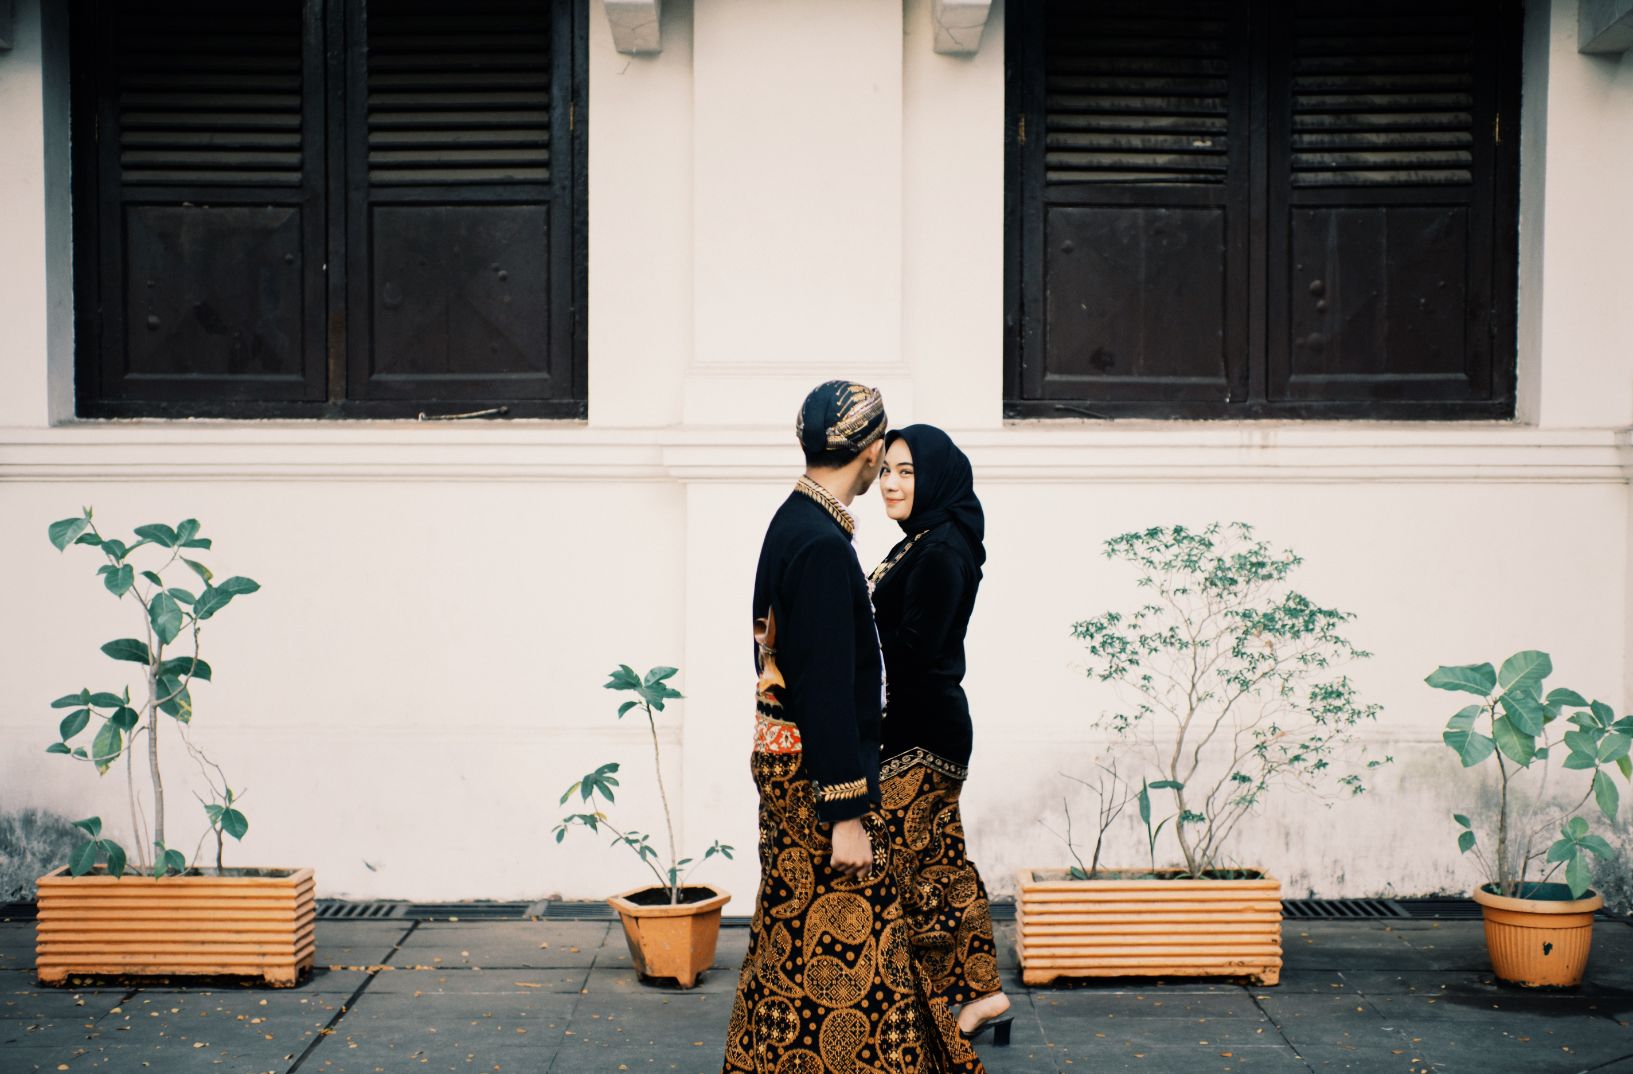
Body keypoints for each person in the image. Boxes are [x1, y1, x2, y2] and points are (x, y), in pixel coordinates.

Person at [723, 384, 982, 1074]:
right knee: (848, 949)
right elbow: (829, 687)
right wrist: (846, 812)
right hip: (819, 778)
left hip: (791, 761)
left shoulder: (797, 521)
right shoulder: (821, 545)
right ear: (869, 452)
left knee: (796, 940)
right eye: (883, 456)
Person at [871, 424, 1012, 1048]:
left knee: (906, 870)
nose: (891, 483)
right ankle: (984, 996)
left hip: (921, 731)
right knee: (941, 865)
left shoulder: (940, 551)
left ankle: (924, 999)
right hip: (922, 725)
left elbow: (912, 651)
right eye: (886, 470)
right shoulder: (923, 541)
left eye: (907, 472)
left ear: (934, 479)